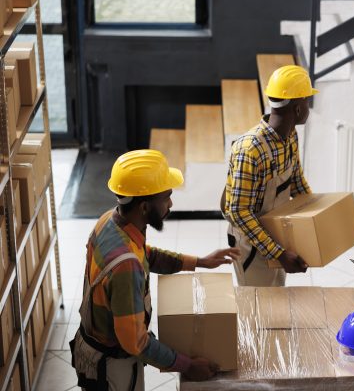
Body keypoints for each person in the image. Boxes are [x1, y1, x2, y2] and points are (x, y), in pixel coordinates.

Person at [70, 149, 241, 390]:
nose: (171, 204)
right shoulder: (126, 267)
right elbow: (136, 344)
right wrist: (188, 365)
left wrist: (200, 262)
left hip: (101, 347)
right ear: (144, 207)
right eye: (166, 197)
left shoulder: (110, 221)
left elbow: (146, 255)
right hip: (112, 370)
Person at [221, 65, 317, 286]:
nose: (308, 107)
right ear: (297, 109)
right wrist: (279, 254)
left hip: (276, 237)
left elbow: (297, 184)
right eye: (307, 101)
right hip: (251, 247)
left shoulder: (290, 136)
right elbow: (238, 212)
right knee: (257, 311)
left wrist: (316, 224)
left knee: (276, 304)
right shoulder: (250, 149)